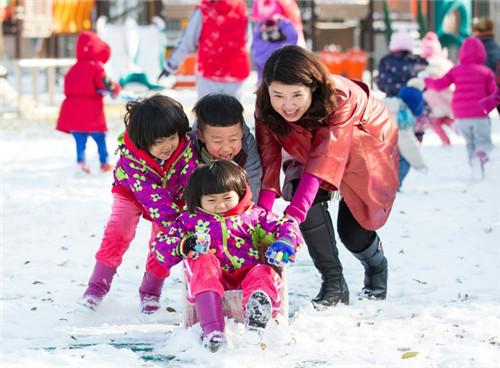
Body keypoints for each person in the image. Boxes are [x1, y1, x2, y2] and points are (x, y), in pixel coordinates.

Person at [255, 45, 399, 309]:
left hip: (364, 143)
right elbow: (269, 161)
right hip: (307, 144)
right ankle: (334, 283)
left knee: (352, 233)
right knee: (302, 196)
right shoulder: (266, 104)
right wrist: (259, 219)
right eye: (278, 95)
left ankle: (376, 267)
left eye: (296, 95)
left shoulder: (340, 99)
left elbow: (325, 159)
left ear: (313, 88)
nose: (287, 105)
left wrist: (292, 218)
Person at [152, 160, 303, 351]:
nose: (220, 205)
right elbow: (160, 248)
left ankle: (256, 319)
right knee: (201, 259)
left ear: (239, 193)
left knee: (264, 271)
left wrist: (286, 241)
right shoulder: (189, 221)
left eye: (226, 198)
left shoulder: (254, 215)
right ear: (199, 199)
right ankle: (213, 330)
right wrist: (183, 245)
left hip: (249, 276)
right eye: (211, 200)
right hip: (209, 280)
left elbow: (285, 225)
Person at [82, 95, 199, 313]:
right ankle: (96, 287)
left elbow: (190, 179)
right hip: (132, 192)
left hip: (173, 195)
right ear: (143, 140)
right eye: (157, 142)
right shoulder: (132, 158)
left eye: (171, 137)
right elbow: (150, 195)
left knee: (163, 240)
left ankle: (151, 291)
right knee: (119, 231)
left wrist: (187, 219)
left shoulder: (186, 148)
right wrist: (177, 223)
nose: (167, 146)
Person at [425, 37, 496, 180]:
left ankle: (476, 169)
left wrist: (426, 80)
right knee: (483, 142)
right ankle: (480, 157)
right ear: (482, 54)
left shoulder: (455, 71)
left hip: (461, 114)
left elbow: (440, 85)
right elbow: (494, 92)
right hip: (480, 113)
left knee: (470, 142)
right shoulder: (486, 72)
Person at [157, 0, 250, 99]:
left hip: (209, 72)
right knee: (233, 112)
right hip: (236, 72)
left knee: (206, 112)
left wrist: (171, 65)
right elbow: (247, 39)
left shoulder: (204, 10)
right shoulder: (241, 8)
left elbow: (187, 41)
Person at [56, 31, 120, 174]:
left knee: (80, 141)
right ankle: (104, 162)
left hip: (74, 114)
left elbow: (68, 88)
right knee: (100, 139)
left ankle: (81, 162)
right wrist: (115, 89)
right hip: (92, 113)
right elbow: (106, 84)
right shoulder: (96, 69)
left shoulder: (73, 69)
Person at [191, 93, 262, 200]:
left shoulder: (247, 147)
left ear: (241, 133)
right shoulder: (190, 149)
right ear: (201, 136)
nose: (226, 148)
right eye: (218, 141)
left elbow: (253, 176)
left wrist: (247, 211)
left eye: (233, 140)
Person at [384, 82, 428, 189]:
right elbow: (408, 145)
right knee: (404, 159)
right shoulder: (403, 117)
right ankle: (392, 186)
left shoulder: (387, 103)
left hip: (371, 142)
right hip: (380, 146)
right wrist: (420, 164)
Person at [418, 32, 455, 146]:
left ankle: (445, 141)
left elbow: (419, 80)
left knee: (436, 122)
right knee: (447, 118)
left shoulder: (423, 64)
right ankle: (460, 132)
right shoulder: (444, 62)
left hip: (431, 98)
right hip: (445, 95)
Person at [376, 30, 428, 97]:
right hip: (415, 100)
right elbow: (425, 82)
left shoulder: (386, 61)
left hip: (392, 100)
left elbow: (381, 83)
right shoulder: (418, 61)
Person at [251, 16, 299, 83]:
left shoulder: (258, 45)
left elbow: (256, 32)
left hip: (265, 86)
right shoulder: (282, 49)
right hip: (278, 85)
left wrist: (262, 24)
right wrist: (282, 22)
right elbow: (293, 36)